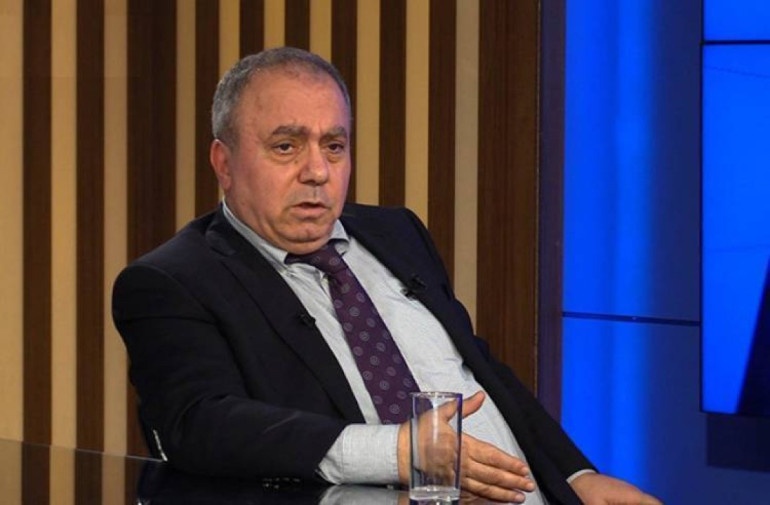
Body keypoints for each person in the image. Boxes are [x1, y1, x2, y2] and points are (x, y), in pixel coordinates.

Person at [112, 47, 661, 505]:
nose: (317, 171)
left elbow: (480, 371)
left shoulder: (396, 232)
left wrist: (575, 476)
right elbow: (199, 425)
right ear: (224, 163)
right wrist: (402, 451)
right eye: (286, 146)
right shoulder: (173, 282)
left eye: (334, 146)